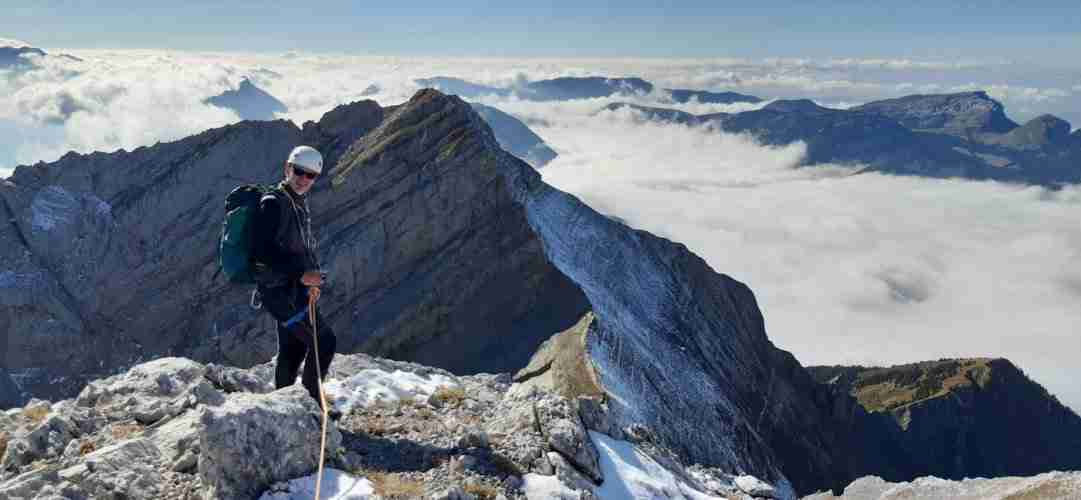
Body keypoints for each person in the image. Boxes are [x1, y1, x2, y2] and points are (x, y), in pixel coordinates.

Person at [252, 145, 339, 418]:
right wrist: (302, 275)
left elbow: (299, 247)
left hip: (293, 289)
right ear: (287, 169)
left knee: (294, 347)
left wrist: (310, 277)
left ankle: (284, 406)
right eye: (299, 171)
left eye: (310, 175)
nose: (303, 179)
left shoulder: (296, 202)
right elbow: (261, 250)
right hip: (279, 293)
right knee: (323, 341)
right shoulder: (273, 202)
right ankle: (311, 405)